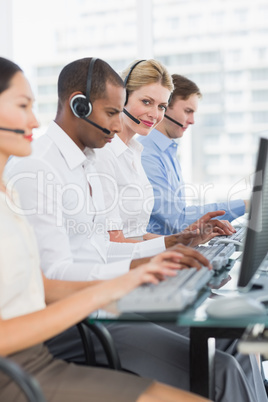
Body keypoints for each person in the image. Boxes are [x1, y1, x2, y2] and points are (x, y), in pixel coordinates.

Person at [5, 57, 267, 402]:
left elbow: (101, 246)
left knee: (240, 343)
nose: (117, 127)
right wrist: (135, 272)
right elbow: (54, 275)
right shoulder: (38, 167)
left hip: (99, 306)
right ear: (79, 105)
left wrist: (161, 252)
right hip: (80, 323)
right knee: (223, 369)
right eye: (112, 113)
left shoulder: (87, 161)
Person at [94, 60, 235, 243]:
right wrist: (173, 246)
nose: (154, 114)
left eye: (161, 106)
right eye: (146, 102)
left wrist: (185, 240)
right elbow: (113, 242)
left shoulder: (134, 152)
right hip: (121, 268)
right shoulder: (104, 153)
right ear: (122, 96)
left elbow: (136, 233)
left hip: (137, 262)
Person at [138, 74, 247, 235]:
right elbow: (178, 219)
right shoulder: (146, 154)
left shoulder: (168, 152)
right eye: (188, 111)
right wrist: (246, 204)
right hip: (157, 254)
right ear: (164, 108)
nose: (192, 120)